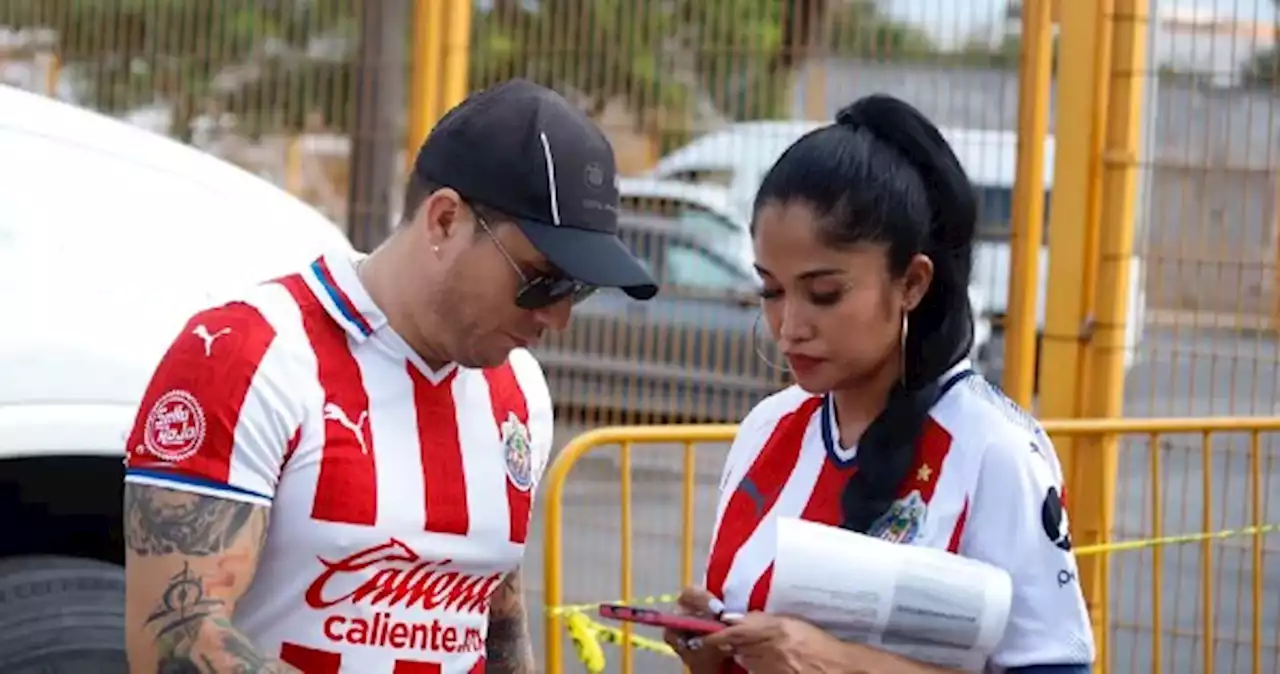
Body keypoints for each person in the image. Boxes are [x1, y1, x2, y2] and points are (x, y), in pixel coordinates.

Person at [122, 78, 657, 674]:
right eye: (542, 278)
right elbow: (171, 633)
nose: (557, 317)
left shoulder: (519, 389)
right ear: (445, 221)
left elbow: (493, 617)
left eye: (578, 290)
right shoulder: (247, 354)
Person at [662, 94, 1095, 674]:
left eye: (824, 294)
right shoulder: (767, 430)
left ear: (911, 283)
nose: (789, 328)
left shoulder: (995, 451)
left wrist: (837, 662)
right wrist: (712, 652)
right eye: (770, 290)